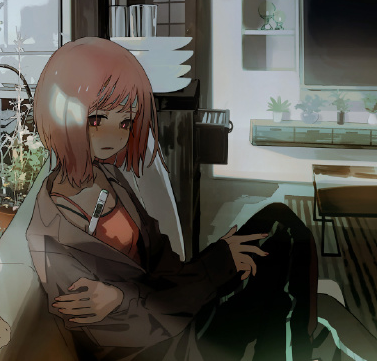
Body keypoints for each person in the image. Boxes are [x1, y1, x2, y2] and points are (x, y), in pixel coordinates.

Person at [26, 37, 376, 360]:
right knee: (280, 250)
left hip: (178, 313)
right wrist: (212, 269)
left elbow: (165, 267)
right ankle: (302, 347)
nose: (114, 136)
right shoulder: (51, 234)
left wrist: (218, 260)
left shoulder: (110, 178)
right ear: (60, 112)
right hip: (164, 349)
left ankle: (298, 347)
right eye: (97, 118)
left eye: (125, 122)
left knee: (278, 226)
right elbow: (119, 331)